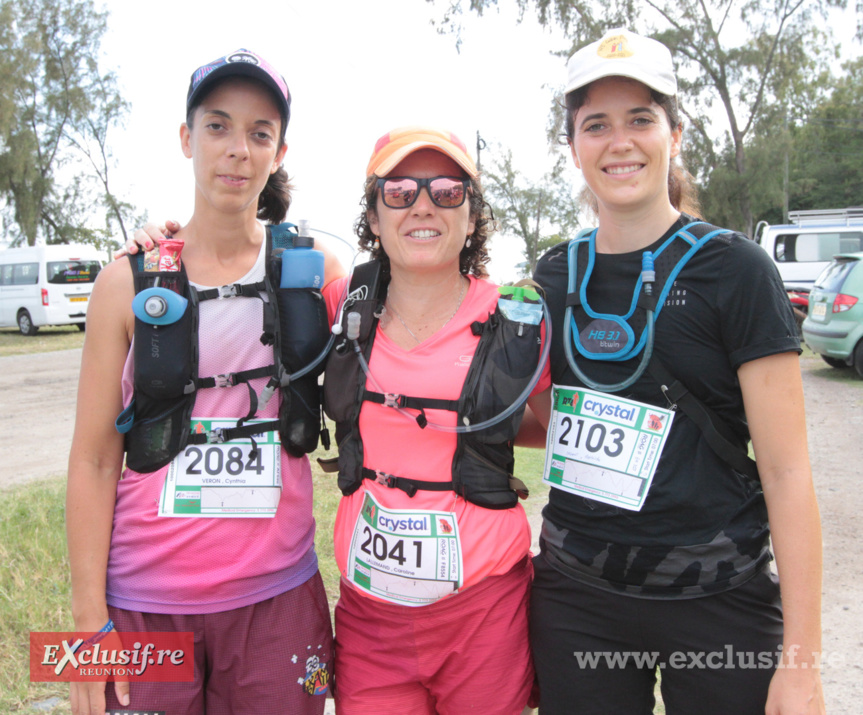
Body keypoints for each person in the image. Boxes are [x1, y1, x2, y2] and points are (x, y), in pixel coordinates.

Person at [526, 28, 825, 714]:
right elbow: (547, 424)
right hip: (578, 596)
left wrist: (800, 666)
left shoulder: (735, 269)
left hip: (718, 598)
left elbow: (786, 471)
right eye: (594, 124)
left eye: (640, 119)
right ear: (573, 145)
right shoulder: (551, 276)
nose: (619, 141)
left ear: (675, 135)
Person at [66, 49, 341, 715]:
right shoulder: (124, 281)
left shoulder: (314, 274)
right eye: (217, 127)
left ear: (278, 152)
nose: (236, 150)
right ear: (186, 139)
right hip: (145, 607)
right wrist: (84, 621)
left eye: (258, 133)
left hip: (277, 601)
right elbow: (95, 457)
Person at [320, 126, 547, 714]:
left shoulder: (517, 319)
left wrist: (472, 423)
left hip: (483, 618)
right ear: (373, 215)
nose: (422, 204)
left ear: (472, 218)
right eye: (398, 191)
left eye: (447, 191)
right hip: (370, 621)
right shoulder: (341, 304)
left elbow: (549, 427)